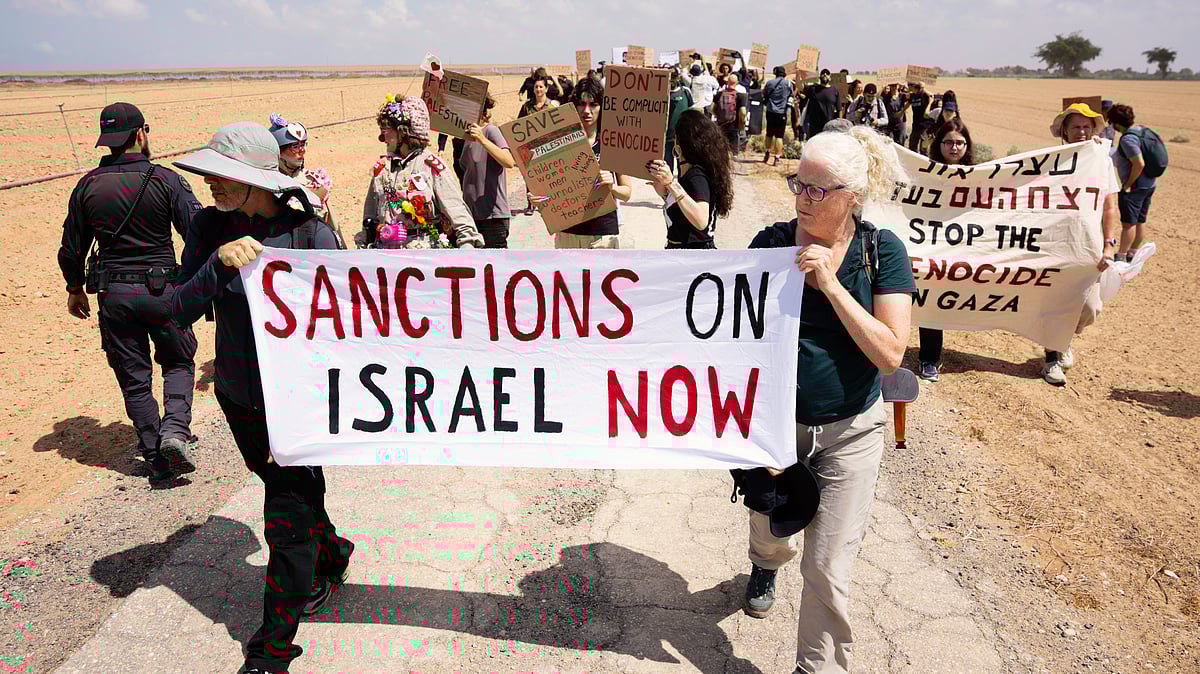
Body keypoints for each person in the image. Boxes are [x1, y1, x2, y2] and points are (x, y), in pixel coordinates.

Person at [169, 121, 354, 674]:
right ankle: (333, 552)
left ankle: (272, 650)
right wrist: (215, 264)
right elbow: (178, 307)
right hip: (238, 396)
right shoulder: (208, 227)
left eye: (225, 177)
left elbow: (352, 313)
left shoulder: (309, 234)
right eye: (209, 176)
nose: (212, 186)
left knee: (285, 516)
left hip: (296, 402)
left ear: (257, 180)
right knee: (281, 483)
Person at [744, 126, 914, 674]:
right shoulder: (770, 245)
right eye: (799, 184)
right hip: (775, 428)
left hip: (851, 431)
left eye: (819, 190)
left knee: (827, 566)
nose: (803, 199)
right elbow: (730, 338)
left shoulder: (880, 253)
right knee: (771, 527)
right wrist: (750, 433)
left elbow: (890, 353)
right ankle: (765, 563)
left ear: (854, 195)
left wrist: (832, 285)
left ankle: (816, 668)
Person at [57, 102, 200, 485]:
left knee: (134, 378)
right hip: (164, 291)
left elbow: (71, 248)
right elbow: (196, 233)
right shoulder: (165, 180)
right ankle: (174, 432)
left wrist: (74, 288)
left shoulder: (87, 185)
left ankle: (156, 456)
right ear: (141, 134)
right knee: (178, 361)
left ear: (108, 142)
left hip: (114, 294)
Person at [1039, 103, 1121, 385]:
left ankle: (1064, 340)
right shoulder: (1051, 160)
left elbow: (1110, 207)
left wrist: (1109, 244)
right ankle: (1052, 359)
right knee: (1055, 302)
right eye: (1076, 127)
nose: (1083, 132)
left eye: (1087, 127)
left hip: (1088, 247)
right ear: (1064, 131)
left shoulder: (1101, 160)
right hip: (1054, 246)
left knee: (1090, 307)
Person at [358, 95, 483, 250]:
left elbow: (460, 218)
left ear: (403, 132)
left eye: (386, 130)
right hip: (386, 259)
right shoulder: (382, 170)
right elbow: (369, 218)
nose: (382, 137)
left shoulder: (432, 167)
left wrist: (468, 252)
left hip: (424, 260)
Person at [916, 118, 975, 382]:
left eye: (960, 143)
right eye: (949, 142)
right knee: (932, 298)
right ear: (938, 144)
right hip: (932, 246)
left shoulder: (982, 177)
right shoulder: (925, 173)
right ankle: (929, 357)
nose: (954, 148)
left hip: (965, 247)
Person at [545, 77, 633, 249]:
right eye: (581, 104)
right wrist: (540, 199)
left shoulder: (612, 143)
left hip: (602, 235)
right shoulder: (560, 142)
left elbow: (627, 193)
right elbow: (551, 186)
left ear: (602, 107)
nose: (587, 110)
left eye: (593, 105)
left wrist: (612, 187)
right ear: (574, 106)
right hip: (567, 233)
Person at [646, 109, 734, 249]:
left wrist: (671, 184)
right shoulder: (689, 173)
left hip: (693, 257)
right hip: (685, 254)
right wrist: (665, 192)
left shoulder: (697, 176)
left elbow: (700, 220)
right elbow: (683, 210)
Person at [268, 113, 341, 240]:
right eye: (295, 147)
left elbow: (331, 223)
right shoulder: (268, 183)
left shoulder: (314, 181)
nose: (302, 150)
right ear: (278, 151)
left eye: (303, 144)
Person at [460, 94, 516, 248]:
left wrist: (483, 140)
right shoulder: (467, 137)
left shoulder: (491, 131)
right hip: (473, 215)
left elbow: (509, 161)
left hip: (492, 216)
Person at [1107, 104, 1158, 264]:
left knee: (1128, 224)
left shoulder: (1128, 139)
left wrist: (1127, 184)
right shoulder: (1142, 130)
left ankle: (1121, 256)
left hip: (1135, 186)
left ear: (1116, 123)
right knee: (1140, 220)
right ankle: (1132, 252)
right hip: (1150, 183)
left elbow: (1139, 163)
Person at [795, 69, 840, 142]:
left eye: (827, 73)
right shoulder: (813, 89)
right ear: (819, 77)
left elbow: (839, 109)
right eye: (823, 73)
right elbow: (799, 86)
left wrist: (838, 124)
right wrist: (798, 75)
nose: (825, 74)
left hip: (829, 127)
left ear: (830, 77)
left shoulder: (834, 90)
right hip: (814, 127)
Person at [665, 67, 695, 174]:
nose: (671, 80)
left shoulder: (685, 91)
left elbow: (692, 109)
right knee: (667, 165)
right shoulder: (662, 93)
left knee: (682, 163)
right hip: (667, 136)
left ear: (677, 77)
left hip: (682, 136)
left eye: (673, 77)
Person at [762, 66, 793, 165]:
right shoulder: (788, 84)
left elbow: (764, 94)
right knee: (779, 136)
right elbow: (791, 96)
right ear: (784, 73)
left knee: (769, 134)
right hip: (781, 113)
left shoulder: (769, 83)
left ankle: (767, 152)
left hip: (770, 111)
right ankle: (777, 158)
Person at [714, 74, 747, 156]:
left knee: (721, 144)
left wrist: (718, 114)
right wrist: (742, 124)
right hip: (734, 124)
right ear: (737, 83)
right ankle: (734, 157)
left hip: (721, 123)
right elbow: (743, 112)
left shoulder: (719, 94)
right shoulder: (740, 96)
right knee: (734, 145)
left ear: (727, 82)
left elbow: (711, 108)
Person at [906, 81, 933, 152]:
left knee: (923, 149)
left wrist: (923, 88)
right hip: (915, 125)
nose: (908, 88)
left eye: (909, 86)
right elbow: (908, 103)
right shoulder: (912, 96)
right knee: (912, 147)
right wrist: (902, 111)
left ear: (913, 87)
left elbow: (932, 96)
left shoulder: (923, 94)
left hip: (925, 126)